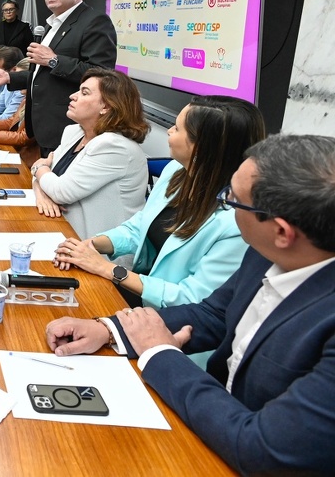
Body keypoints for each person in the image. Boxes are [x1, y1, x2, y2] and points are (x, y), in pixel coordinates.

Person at [44, 134, 335, 476]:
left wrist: (159, 353)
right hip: (213, 428)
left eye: (232, 199)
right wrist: (108, 329)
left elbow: (264, 450)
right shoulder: (269, 253)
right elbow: (213, 313)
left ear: (282, 232)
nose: (225, 204)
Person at [53, 96, 266, 316]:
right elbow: (139, 227)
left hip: (173, 320)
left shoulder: (236, 222)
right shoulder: (176, 171)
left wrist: (106, 268)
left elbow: (192, 298)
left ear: (201, 147)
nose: (169, 131)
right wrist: (91, 245)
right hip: (140, 295)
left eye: (177, 128)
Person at [0, 0, 116, 156]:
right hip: (43, 127)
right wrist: (9, 78)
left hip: (69, 128)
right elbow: (42, 75)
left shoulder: (94, 22)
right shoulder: (51, 25)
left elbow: (102, 75)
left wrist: (54, 60)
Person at [29, 68, 148, 238]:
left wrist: (39, 168)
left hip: (94, 246)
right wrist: (41, 191)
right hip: (59, 228)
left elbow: (60, 191)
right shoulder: (74, 132)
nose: (73, 96)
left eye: (84, 93)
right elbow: (47, 180)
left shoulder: (114, 147)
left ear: (106, 106)